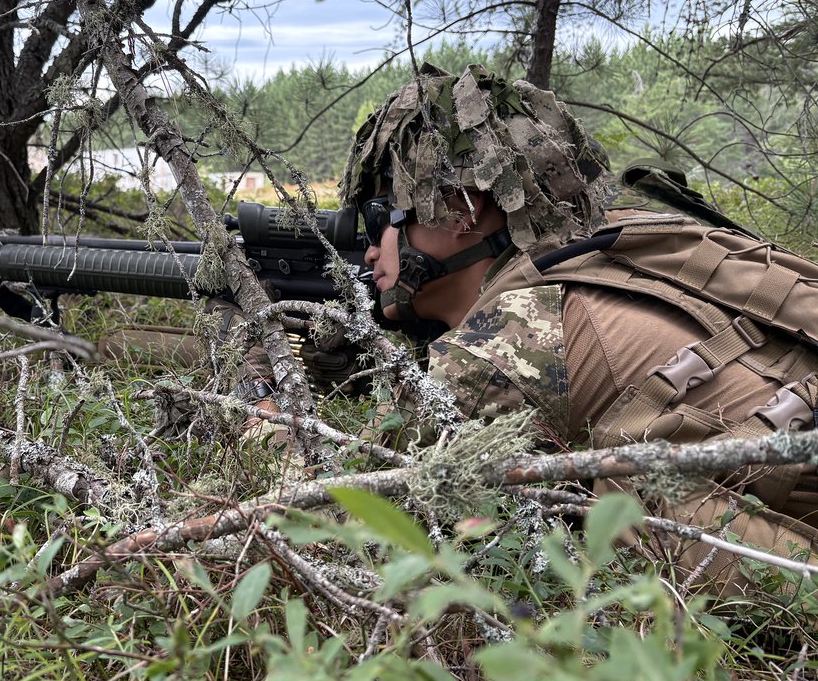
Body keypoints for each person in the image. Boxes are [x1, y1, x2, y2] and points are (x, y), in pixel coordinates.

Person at [256, 64, 818, 597]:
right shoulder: (604, 246)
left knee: (623, 499)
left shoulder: (510, 339)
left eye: (381, 218)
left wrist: (259, 384)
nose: (371, 250)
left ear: (460, 210)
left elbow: (335, 502)